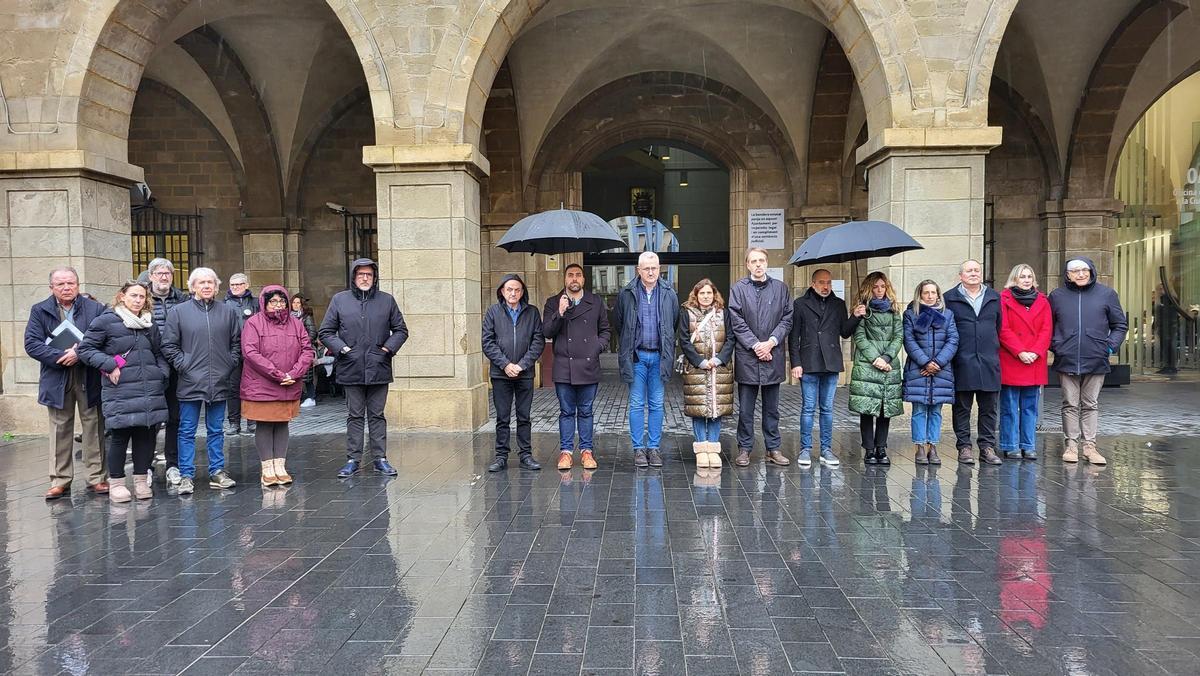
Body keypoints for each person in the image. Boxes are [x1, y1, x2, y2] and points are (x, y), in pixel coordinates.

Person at [77, 280, 169, 503]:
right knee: (120, 436)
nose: (138, 300)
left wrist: (161, 374)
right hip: (120, 389)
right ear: (122, 296)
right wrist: (109, 364)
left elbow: (159, 352)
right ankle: (117, 483)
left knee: (146, 437)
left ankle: (140, 481)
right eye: (133, 296)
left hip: (149, 389)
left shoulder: (148, 323)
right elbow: (85, 349)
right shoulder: (106, 320)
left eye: (142, 297)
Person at [319, 258, 409, 478]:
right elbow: (326, 332)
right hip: (351, 367)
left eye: (369, 274)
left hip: (379, 366)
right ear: (354, 277)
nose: (365, 278)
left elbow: (401, 330)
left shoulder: (386, 300)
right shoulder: (340, 300)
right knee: (355, 416)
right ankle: (353, 459)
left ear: (374, 277)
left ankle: (380, 458)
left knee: (377, 415)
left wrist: (386, 349)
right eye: (361, 274)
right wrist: (343, 349)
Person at [24, 267, 108, 499]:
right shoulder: (40, 310)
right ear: (51, 287)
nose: (66, 288)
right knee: (60, 427)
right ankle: (59, 480)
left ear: (78, 285)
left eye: (70, 283)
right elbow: (32, 344)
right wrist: (61, 356)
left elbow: (103, 337)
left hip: (88, 373)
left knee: (94, 425)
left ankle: (97, 478)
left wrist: (79, 353)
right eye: (60, 284)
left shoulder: (95, 308)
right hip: (56, 374)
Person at [161, 267, 242, 494]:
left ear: (216, 287)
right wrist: (184, 365)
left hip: (219, 380)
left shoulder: (227, 312)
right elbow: (169, 345)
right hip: (189, 380)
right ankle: (186, 475)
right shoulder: (178, 312)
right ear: (192, 286)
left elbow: (236, 343)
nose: (206, 286)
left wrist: (229, 364)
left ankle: (217, 471)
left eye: (210, 282)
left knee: (216, 429)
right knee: (186, 430)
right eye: (201, 282)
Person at [1048, 258, 1127, 465]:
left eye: (1085, 270)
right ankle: (1071, 446)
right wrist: (1056, 345)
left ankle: (1090, 447)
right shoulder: (1057, 296)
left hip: (1096, 357)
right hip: (1067, 357)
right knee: (1070, 404)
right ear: (1067, 274)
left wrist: (1109, 347)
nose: (1081, 274)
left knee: (1090, 404)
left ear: (1091, 271)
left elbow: (1120, 325)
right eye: (1075, 271)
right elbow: (1047, 326)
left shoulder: (1107, 294)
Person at [788, 268, 865, 468]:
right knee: (808, 408)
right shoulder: (800, 304)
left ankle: (826, 449)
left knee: (827, 409)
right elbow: (793, 336)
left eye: (829, 282)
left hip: (830, 362)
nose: (826, 286)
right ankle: (805, 449)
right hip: (809, 362)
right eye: (822, 282)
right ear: (813, 284)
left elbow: (845, 332)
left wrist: (856, 316)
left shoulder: (838, 304)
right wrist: (796, 363)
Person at [241, 285, 315, 487]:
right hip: (262, 383)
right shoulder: (254, 323)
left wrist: (294, 373)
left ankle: (280, 466)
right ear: (264, 303)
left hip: (289, 382)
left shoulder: (296, 323)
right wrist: (277, 374)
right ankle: (267, 468)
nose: (278, 305)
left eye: (281, 301)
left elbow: (307, 350)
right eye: (273, 301)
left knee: (282, 423)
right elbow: (250, 352)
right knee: (265, 424)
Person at [728, 248, 793, 467]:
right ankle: (744, 449)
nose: (758, 264)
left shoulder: (780, 289)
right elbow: (736, 320)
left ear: (767, 263)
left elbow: (787, 318)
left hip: (772, 355)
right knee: (745, 409)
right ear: (747, 265)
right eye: (754, 261)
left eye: (762, 260)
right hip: (748, 356)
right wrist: (756, 345)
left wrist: (771, 342)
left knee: (772, 408)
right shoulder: (738, 289)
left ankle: (773, 448)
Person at [542, 263, 610, 471]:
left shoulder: (595, 301)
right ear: (564, 279)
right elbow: (547, 332)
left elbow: (605, 330)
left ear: (583, 279)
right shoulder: (553, 302)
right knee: (566, 411)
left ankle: (587, 451)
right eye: (570, 275)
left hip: (588, 365)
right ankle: (566, 452)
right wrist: (560, 312)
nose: (574, 279)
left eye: (578, 275)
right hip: (564, 366)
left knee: (586, 411)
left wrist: (596, 347)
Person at [615, 251, 680, 468]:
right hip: (637, 357)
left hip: (659, 357)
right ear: (638, 270)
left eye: (654, 268)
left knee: (657, 404)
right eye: (646, 268)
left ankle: (653, 448)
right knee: (636, 404)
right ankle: (638, 450)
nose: (651, 272)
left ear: (659, 269)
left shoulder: (669, 293)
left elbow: (673, 323)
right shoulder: (626, 293)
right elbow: (620, 324)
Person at [482, 274, 544, 472]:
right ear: (502, 291)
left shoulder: (532, 312)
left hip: (525, 374)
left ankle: (525, 455)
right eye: (509, 289)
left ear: (522, 292)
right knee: (502, 417)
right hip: (501, 374)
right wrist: (505, 364)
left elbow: (538, 341)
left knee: (524, 416)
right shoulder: (493, 312)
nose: (513, 293)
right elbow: (487, 342)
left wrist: (522, 365)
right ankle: (501, 456)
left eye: (517, 290)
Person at [943, 259, 1003, 466]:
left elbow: (999, 326)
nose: (973, 273)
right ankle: (964, 447)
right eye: (969, 271)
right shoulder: (949, 298)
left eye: (977, 270)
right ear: (961, 275)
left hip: (988, 360)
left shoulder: (994, 297)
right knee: (962, 407)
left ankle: (987, 447)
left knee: (989, 408)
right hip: (962, 360)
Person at [678, 279, 735, 469]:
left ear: (714, 294)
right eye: (702, 293)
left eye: (709, 293)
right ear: (696, 295)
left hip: (719, 369)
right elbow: (684, 340)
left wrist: (719, 359)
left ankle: (713, 449)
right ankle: (702, 450)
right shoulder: (686, 313)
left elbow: (731, 338)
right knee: (699, 409)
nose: (705, 296)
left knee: (716, 409)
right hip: (696, 368)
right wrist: (700, 361)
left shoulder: (723, 313)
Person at [140, 258, 187, 485]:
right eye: (159, 273)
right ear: (150, 276)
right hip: (149, 366)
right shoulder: (141, 298)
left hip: (177, 366)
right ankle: (145, 466)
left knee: (175, 417)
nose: (164, 277)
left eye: (167, 273)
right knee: (150, 419)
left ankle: (173, 464)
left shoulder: (183, 299)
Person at [849, 272, 904, 465]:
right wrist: (875, 359)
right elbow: (859, 337)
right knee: (867, 408)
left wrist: (887, 357)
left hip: (889, 364)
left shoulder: (894, 309)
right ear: (868, 288)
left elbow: (898, 336)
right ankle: (869, 449)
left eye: (882, 286)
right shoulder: (862, 309)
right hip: (867, 364)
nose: (879, 290)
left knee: (884, 408)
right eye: (875, 287)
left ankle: (881, 447)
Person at [998, 264, 1052, 460]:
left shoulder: (1043, 301)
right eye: (1022, 276)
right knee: (1010, 406)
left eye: (1030, 276)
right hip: (1012, 358)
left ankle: (1028, 445)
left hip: (1034, 360)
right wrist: (1020, 351)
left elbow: (1047, 329)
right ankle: (1010, 444)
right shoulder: (1003, 299)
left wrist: (1035, 352)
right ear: (1014, 279)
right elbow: (1003, 329)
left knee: (1030, 407)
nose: (1027, 280)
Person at [902, 280, 959, 466]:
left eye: (933, 292)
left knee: (936, 411)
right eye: (926, 292)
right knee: (919, 410)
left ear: (938, 294)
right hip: (918, 368)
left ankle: (932, 446)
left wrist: (938, 363)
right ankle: (919, 446)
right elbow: (909, 340)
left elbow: (953, 340)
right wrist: (926, 363)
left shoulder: (947, 314)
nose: (930, 296)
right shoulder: (911, 314)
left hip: (941, 370)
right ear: (919, 295)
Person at [224, 273, 257, 436]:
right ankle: (234, 423)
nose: (235, 287)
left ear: (246, 285)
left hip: (252, 350)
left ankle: (252, 421)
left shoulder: (256, 303)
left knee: (252, 387)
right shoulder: (223, 304)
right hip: (232, 350)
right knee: (232, 388)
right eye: (232, 284)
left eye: (239, 284)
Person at [291, 295, 319, 407]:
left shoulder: (306, 317)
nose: (295, 305)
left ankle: (311, 397)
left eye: (298, 303)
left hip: (304, 349)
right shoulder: (287, 317)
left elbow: (312, 332)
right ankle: (298, 396)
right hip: (291, 349)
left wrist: (303, 343)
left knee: (307, 375)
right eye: (294, 302)